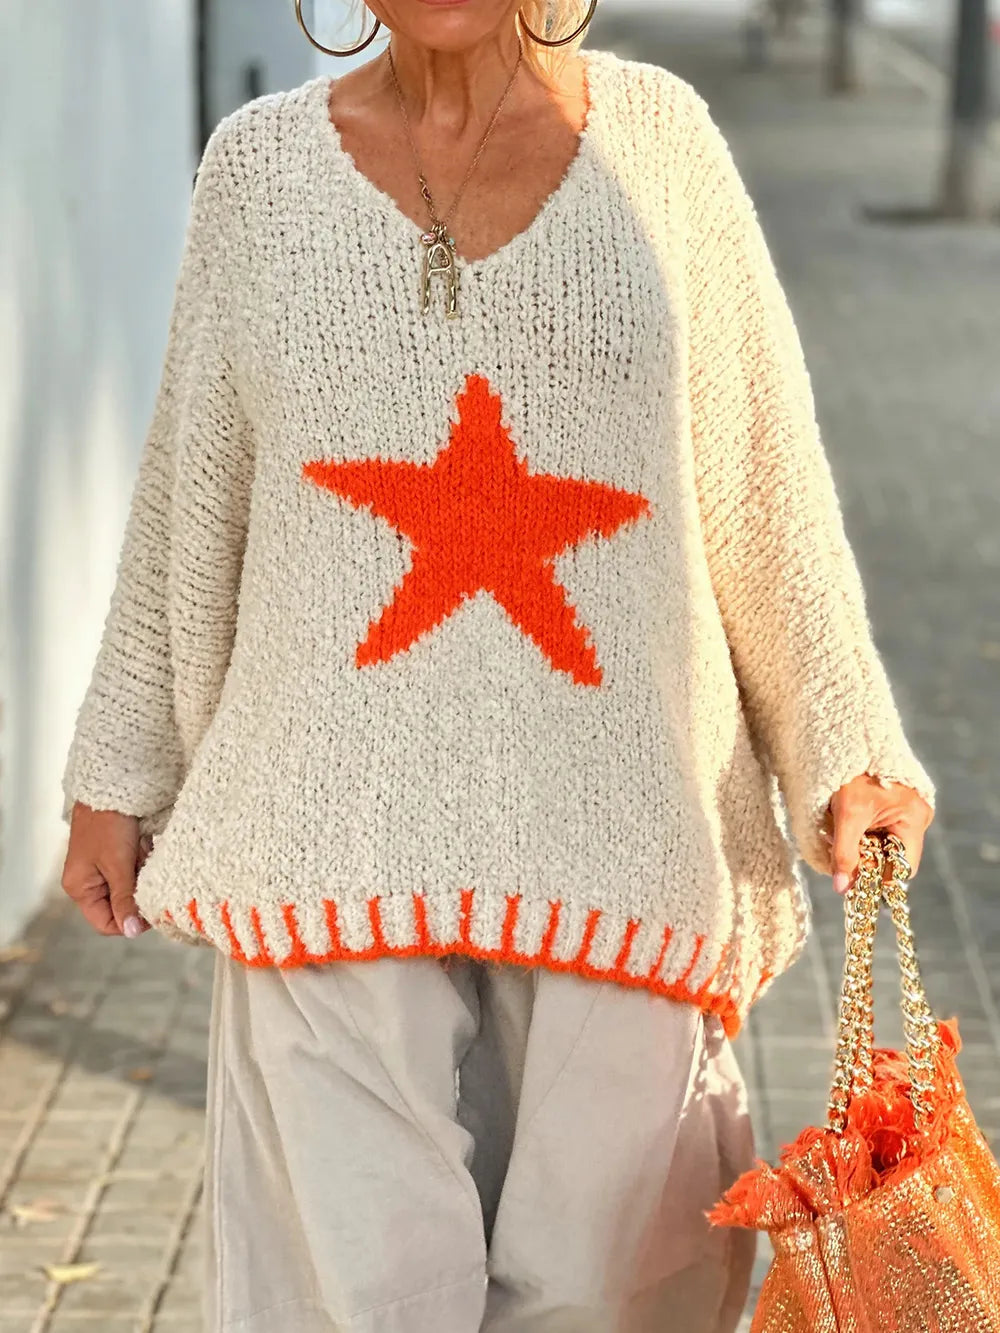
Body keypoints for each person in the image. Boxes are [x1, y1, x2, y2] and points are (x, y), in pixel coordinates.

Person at [58, 0, 937, 1328]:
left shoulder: (665, 146)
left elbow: (761, 486)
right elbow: (196, 486)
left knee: (610, 1292)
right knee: (353, 1292)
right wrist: (119, 764)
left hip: (622, 831)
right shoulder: (260, 173)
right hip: (323, 828)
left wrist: (845, 745)